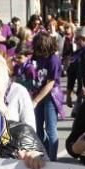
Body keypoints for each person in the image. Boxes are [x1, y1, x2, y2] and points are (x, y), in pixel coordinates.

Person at [23, 32, 64, 161]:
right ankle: (44, 153)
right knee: (37, 128)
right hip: (38, 92)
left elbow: (51, 83)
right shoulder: (37, 56)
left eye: (38, 48)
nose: (36, 51)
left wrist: (36, 100)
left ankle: (52, 159)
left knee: (51, 129)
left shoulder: (53, 59)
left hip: (51, 95)